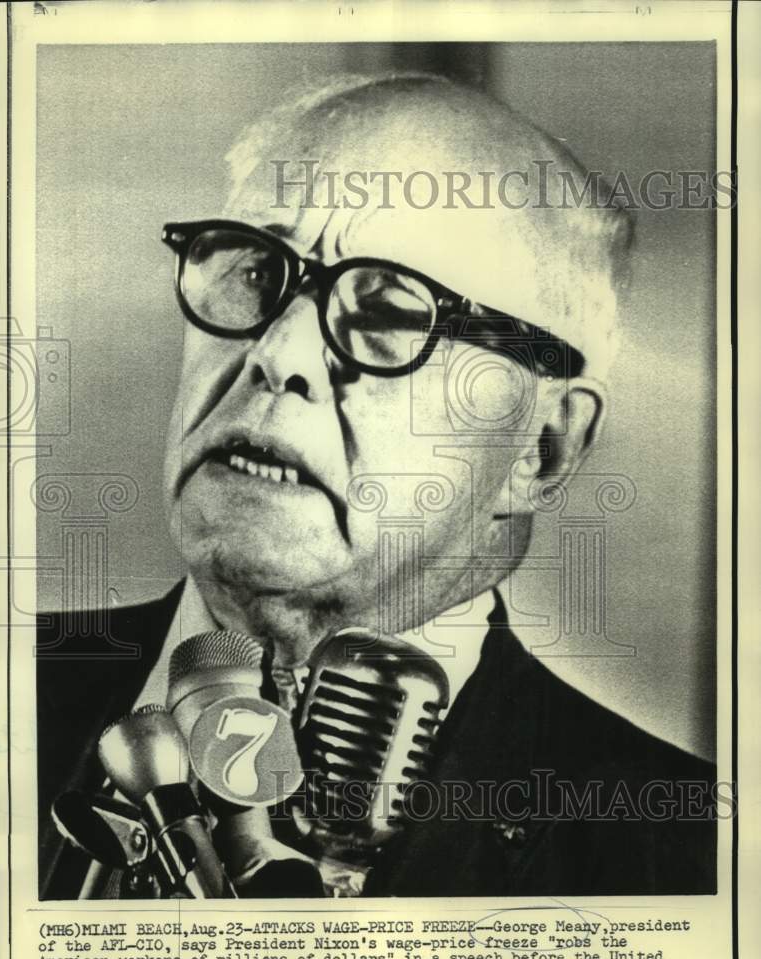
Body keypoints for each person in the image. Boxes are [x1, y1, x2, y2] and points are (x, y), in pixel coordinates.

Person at [37, 71, 716, 899]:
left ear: (541, 447)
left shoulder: (686, 854)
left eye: (393, 311)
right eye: (254, 271)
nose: (277, 355)